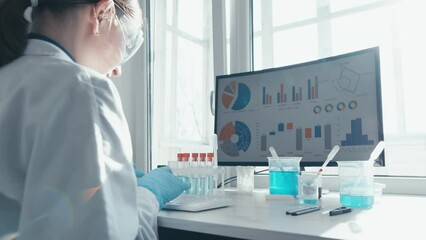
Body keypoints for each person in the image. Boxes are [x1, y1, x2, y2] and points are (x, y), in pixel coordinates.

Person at [0, 0, 190, 239]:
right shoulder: (83, 88)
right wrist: (150, 193)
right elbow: (105, 234)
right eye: (128, 43)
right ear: (100, 14)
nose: (118, 70)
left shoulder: (8, 78)